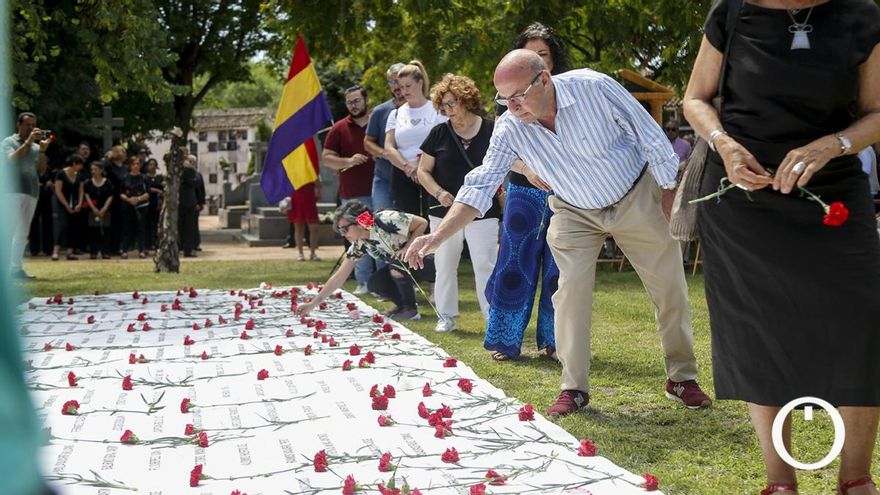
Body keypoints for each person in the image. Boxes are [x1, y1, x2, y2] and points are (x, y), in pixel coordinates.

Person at [405, 49, 711, 417]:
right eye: (503, 99)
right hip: (572, 209)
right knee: (568, 295)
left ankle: (681, 378)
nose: (512, 107)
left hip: (635, 195)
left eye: (518, 96)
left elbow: (649, 136)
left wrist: (667, 193)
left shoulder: (593, 88)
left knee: (669, 286)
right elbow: (480, 186)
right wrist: (436, 238)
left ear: (545, 79)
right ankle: (574, 388)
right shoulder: (509, 126)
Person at [683, 1, 880, 493]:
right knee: (759, 330)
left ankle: (855, 477)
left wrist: (832, 144)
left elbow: (877, 112)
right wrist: (723, 144)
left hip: (833, 191)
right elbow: (696, 99)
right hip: (743, 199)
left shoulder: (863, 15)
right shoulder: (731, 12)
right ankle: (780, 480)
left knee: (861, 328)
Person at [483, 22, 566, 361]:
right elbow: (500, 154)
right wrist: (527, 169)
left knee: (559, 267)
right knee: (515, 262)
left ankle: (555, 341)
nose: (536, 58)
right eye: (530, 53)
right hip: (522, 191)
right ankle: (505, 339)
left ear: (552, 61)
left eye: (542, 54)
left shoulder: (569, 93)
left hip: (564, 193)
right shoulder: (508, 98)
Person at [417, 74, 500, 333]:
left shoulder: (491, 129)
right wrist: (439, 192)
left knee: (485, 263)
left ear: (466, 101)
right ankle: (446, 316)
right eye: (443, 105)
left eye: (451, 103)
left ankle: (491, 318)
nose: (446, 110)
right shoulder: (438, 133)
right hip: (444, 210)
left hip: (483, 209)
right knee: (445, 263)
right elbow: (422, 171)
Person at [298, 200, 431, 321]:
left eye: (345, 229)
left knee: (396, 264)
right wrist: (312, 304)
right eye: (340, 230)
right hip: (406, 265)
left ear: (360, 223)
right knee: (375, 283)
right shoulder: (360, 243)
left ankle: (411, 310)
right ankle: (402, 306)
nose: (343, 234)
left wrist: (408, 248)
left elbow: (422, 222)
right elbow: (340, 276)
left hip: (429, 259)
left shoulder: (386, 218)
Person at [323, 84, 376, 292]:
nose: (353, 106)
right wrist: (348, 161)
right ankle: (364, 282)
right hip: (355, 198)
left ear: (365, 100)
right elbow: (326, 159)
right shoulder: (339, 128)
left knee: (380, 238)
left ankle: (384, 284)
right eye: (349, 102)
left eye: (357, 101)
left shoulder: (378, 122)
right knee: (359, 239)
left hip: (379, 193)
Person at [384, 60, 447, 216]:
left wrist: (420, 166)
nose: (404, 91)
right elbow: (389, 147)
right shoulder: (396, 113)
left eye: (408, 86)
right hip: (403, 174)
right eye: (401, 86)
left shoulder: (437, 110)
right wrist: (408, 167)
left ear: (420, 83)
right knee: (408, 222)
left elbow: (444, 143)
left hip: (432, 172)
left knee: (432, 218)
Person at [2, 112, 50, 278]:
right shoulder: (9, 142)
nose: (31, 128)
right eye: (27, 125)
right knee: (9, 230)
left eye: (33, 125)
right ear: (19, 125)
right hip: (12, 191)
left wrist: (42, 151)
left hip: (31, 192)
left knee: (22, 232)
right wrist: (28, 143)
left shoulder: (36, 147)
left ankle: (16, 269)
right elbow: (11, 160)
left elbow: (42, 171)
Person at [365, 63, 406, 212]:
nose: (396, 86)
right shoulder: (380, 111)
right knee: (382, 224)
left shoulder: (422, 109)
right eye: (392, 82)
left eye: (399, 81)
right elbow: (368, 142)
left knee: (409, 225)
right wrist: (384, 153)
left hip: (411, 178)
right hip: (384, 179)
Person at [288, 151, 321, 261]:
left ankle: (313, 253)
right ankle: (300, 253)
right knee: (298, 227)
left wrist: (319, 191)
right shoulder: (292, 167)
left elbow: (317, 182)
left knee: (314, 227)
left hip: (309, 198)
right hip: (297, 198)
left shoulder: (310, 167)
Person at [50, 154, 85, 261]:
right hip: (62, 203)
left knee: (73, 226)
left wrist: (79, 203)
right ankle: (56, 251)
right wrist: (66, 205)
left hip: (74, 202)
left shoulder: (79, 175)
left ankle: (70, 252)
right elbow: (58, 191)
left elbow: (81, 190)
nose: (81, 167)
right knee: (62, 225)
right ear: (74, 164)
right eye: (79, 164)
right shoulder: (61, 174)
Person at [119, 156, 150, 259]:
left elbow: (148, 193)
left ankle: (141, 250)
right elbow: (121, 193)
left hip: (142, 206)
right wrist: (129, 200)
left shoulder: (145, 177)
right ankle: (124, 250)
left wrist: (138, 199)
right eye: (134, 164)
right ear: (130, 165)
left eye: (138, 164)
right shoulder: (124, 178)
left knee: (141, 228)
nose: (136, 166)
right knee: (127, 228)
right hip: (128, 205)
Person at [83, 161, 114, 259]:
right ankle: (93, 252)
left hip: (105, 209)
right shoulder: (88, 182)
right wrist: (93, 208)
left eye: (95, 169)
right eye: (92, 169)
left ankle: (106, 252)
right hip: (93, 209)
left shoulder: (108, 182)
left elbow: (110, 195)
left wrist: (105, 208)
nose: (93, 171)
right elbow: (86, 195)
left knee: (106, 231)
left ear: (101, 170)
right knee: (93, 230)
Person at [103, 145, 128, 255]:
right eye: (120, 151)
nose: (122, 153)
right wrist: (108, 157)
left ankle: (118, 247)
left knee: (120, 223)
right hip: (111, 196)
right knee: (110, 223)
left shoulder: (125, 167)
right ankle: (108, 248)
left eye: (123, 151)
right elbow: (102, 167)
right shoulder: (109, 165)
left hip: (122, 197)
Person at [179, 155, 200, 257]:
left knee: (186, 226)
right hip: (185, 201)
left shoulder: (187, 170)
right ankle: (186, 249)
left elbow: (196, 183)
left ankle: (185, 248)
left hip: (185, 201)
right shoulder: (188, 170)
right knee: (187, 227)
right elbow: (196, 182)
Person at [144, 158, 164, 250]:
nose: (152, 166)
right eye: (150, 164)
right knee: (148, 223)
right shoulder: (145, 177)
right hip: (148, 202)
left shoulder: (160, 177)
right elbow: (147, 188)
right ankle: (148, 244)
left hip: (158, 202)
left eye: (153, 164)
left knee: (157, 223)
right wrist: (157, 190)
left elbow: (163, 188)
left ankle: (157, 243)